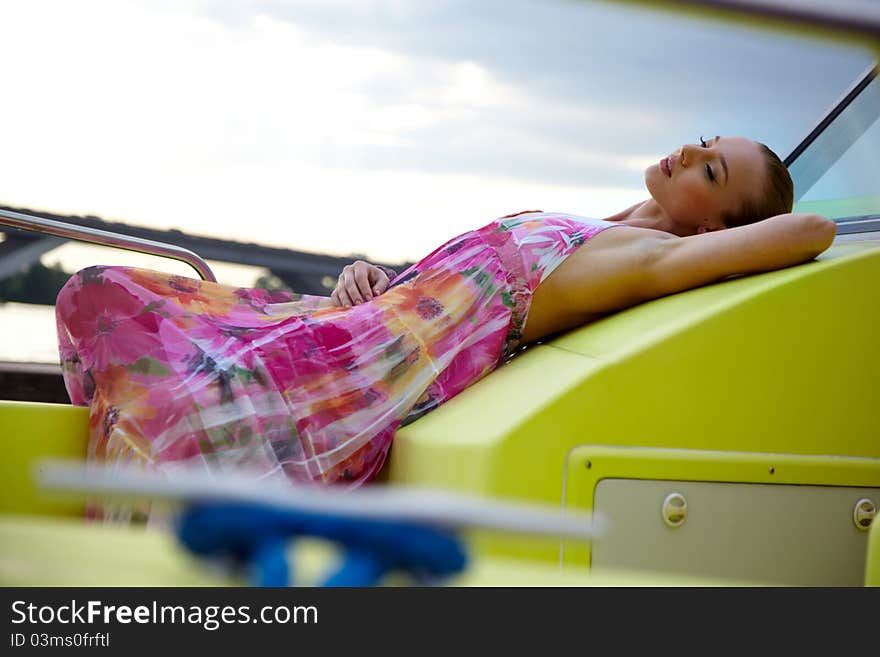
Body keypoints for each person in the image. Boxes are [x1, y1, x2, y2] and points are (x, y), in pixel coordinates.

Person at [55, 136, 835, 496]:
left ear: (713, 231)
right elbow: (461, 285)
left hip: (362, 375)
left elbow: (812, 230)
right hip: (360, 325)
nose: (684, 153)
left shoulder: (643, 261)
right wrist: (374, 276)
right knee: (105, 292)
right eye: (700, 143)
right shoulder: (604, 227)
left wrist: (728, 239)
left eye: (709, 168)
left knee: (175, 390)